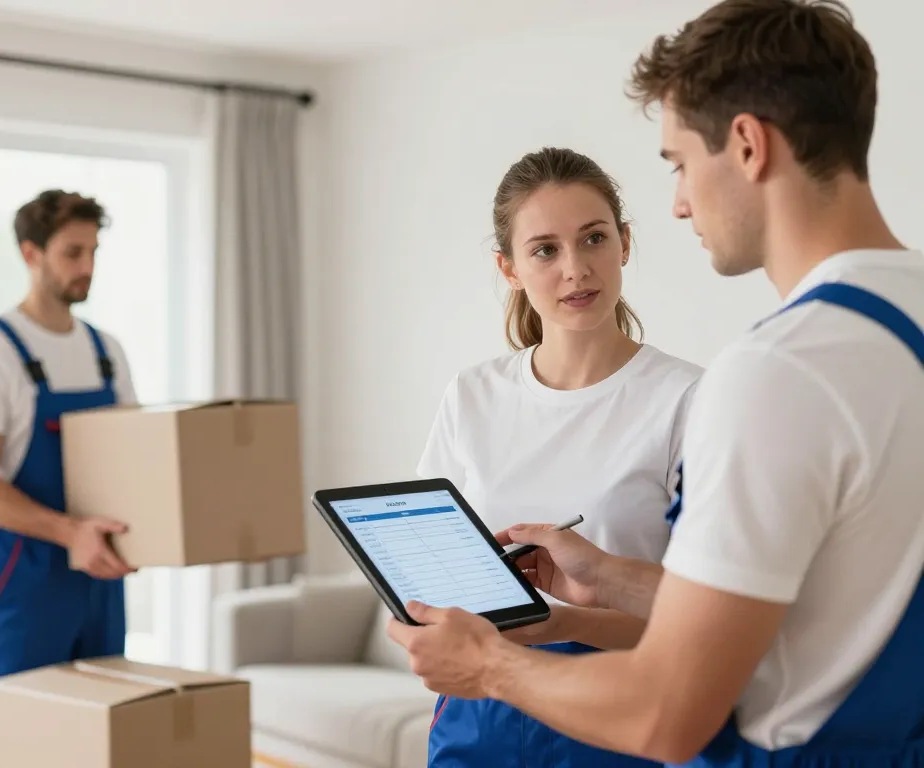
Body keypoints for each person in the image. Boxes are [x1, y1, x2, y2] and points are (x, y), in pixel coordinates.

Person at [388, 1, 924, 766]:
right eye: (544, 249)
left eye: (678, 161)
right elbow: (806, 601)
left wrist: (487, 664)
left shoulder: (776, 373)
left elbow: (666, 713)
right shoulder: (900, 319)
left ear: (746, 145)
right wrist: (606, 577)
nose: (678, 200)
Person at [417, 146, 702, 766]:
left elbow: (706, 619)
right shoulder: (472, 395)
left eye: (594, 238)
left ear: (624, 243)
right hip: (480, 718)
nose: (576, 268)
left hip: (623, 712)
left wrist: (569, 621)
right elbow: (431, 578)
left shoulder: (689, 398)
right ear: (510, 267)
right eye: (545, 249)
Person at [0, 190, 137, 768]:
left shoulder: (108, 351)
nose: (87, 267)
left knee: (97, 733)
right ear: (31, 253)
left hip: (101, 570)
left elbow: (136, 463)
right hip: (24, 576)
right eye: (72, 253)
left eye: (94, 252)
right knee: (16, 737)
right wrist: (67, 531)